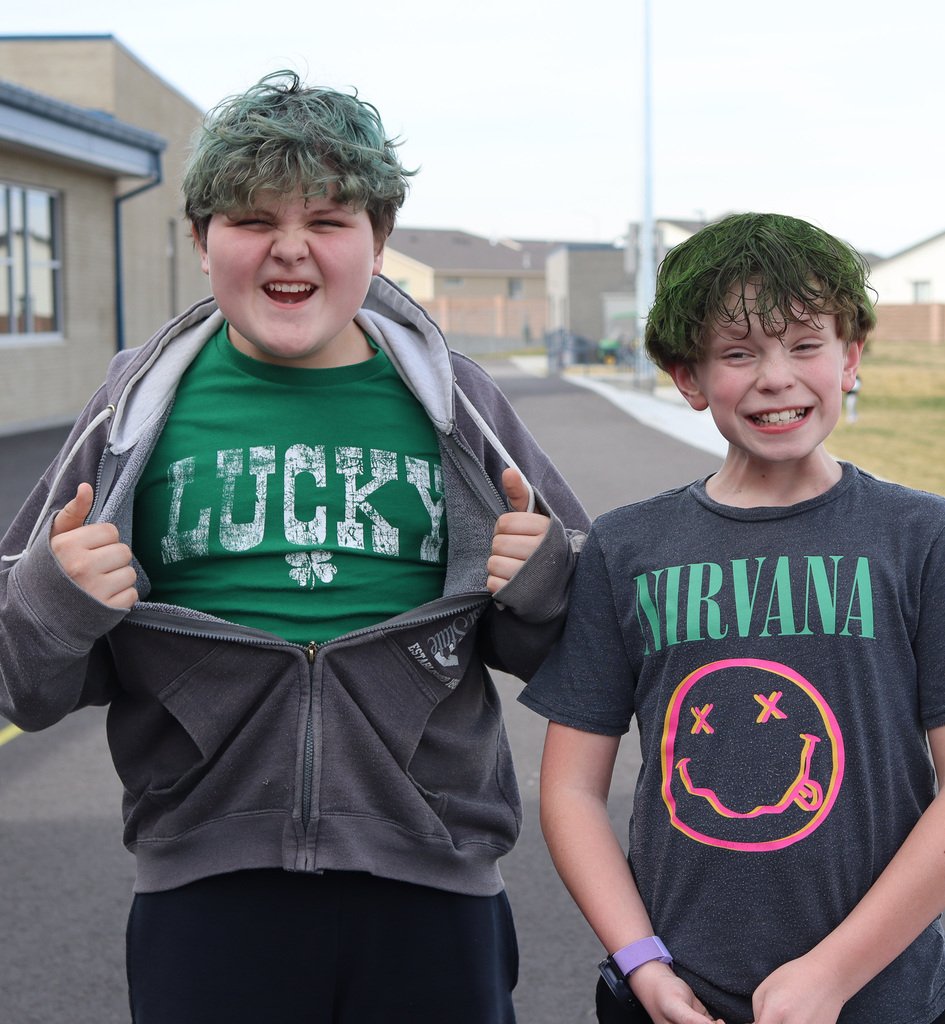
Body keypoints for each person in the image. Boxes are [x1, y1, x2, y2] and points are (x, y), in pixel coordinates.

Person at [0, 71, 589, 1024]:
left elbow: (569, 651)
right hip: (203, 877)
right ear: (200, 242)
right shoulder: (132, 415)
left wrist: (547, 581)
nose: (289, 247)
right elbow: (20, 681)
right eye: (249, 218)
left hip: (433, 876)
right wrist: (53, 598)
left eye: (327, 218)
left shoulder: (461, 409)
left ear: (379, 242)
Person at [519, 212, 945, 1024]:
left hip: (882, 999)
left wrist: (830, 976)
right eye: (738, 353)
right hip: (670, 996)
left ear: (851, 357)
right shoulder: (627, 546)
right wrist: (641, 964)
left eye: (805, 345)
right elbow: (572, 790)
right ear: (688, 377)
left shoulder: (923, 537)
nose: (775, 378)